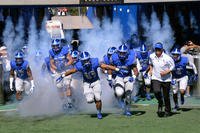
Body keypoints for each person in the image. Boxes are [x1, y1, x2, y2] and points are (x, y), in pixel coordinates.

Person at [56, 51, 123, 119]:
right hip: (87, 83)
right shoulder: (79, 65)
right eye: (84, 61)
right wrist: (62, 75)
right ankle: (94, 97)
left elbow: (106, 66)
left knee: (98, 98)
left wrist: (117, 69)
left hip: (96, 81)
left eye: (87, 60)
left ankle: (99, 112)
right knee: (90, 100)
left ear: (89, 59)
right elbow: (72, 71)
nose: (86, 62)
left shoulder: (94, 62)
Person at [111, 44, 138, 116]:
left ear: (127, 53)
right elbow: (110, 67)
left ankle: (128, 110)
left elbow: (136, 71)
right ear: (118, 52)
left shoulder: (131, 58)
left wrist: (134, 77)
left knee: (128, 94)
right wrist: (110, 78)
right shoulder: (114, 57)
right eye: (120, 52)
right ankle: (121, 101)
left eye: (123, 53)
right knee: (119, 92)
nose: (122, 54)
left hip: (127, 77)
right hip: (119, 77)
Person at [149, 42, 175, 117]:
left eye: (159, 49)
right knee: (156, 91)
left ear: (162, 49)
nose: (157, 51)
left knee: (166, 96)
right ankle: (160, 102)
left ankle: (168, 111)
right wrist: (150, 70)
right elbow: (150, 64)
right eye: (156, 49)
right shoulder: (151, 56)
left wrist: (166, 72)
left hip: (166, 79)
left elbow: (173, 66)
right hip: (156, 77)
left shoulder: (167, 58)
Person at [49, 39, 74, 110]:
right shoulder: (51, 52)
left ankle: (70, 103)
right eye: (53, 46)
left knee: (67, 85)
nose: (55, 47)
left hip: (66, 70)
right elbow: (51, 63)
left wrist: (65, 65)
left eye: (56, 46)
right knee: (59, 87)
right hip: (58, 71)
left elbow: (71, 60)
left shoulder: (64, 50)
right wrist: (56, 68)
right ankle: (64, 104)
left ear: (59, 45)